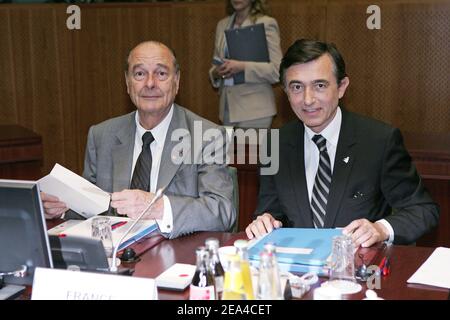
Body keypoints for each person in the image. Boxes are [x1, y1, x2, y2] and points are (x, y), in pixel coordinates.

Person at [245, 39, 439, 247]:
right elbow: (271, 212)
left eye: (319, 85)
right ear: (286, 91)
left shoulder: (378, 141)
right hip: (297, 272)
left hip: (358, 271)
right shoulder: (275, 144)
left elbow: (423, 210)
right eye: (297, 87)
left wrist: (380, 229)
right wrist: (264, 221)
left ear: (341, 87)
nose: (308, 99)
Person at [42, 41, 236, 239]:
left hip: (175, 257)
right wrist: (62, 209)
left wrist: (159, 208)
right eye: (140, 74)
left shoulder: (206, 136)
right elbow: (93, 209)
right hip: (116, 259)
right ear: (127, 82)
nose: (150, 84)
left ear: (176, 81)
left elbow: (222, 211)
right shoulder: (102, 136)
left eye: (161, 74)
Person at [209, 0, 282, 129]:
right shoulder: (222, 24)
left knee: (248, 150)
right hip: (227, 109)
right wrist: (216, 73)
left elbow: (277, 70)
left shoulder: (266, 23)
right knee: (230, 150)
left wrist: (242, 67)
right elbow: (215, 63)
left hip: (255, 110)